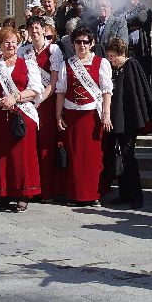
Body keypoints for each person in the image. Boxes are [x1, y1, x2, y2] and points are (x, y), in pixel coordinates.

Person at [0, 26, 42, 211]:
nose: (11, 44)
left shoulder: (27, 64)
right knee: (1, 156)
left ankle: (24, 193)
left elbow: (35, 90)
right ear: (0, 44)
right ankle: (3, 192)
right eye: (6, 41)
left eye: (14, 41)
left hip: (23, 115)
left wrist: (15, 97)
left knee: (22, 156)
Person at [56, 26, 113, 206]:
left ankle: (93, 194)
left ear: (92, 43)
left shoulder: (101, 63)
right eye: (78, 42)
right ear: (73, 44)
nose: (82, 45)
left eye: (85, 42)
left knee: (93, 158)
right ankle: (75, 195)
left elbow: (106, 92)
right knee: (75, 157)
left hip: (92, 116)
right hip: (72, 116)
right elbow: (60, 92)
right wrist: (58, 115)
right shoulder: (66, 65)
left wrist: (106, 114)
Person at [102, 37, 152, 209]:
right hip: (117, 119)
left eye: (113, 56)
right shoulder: (115, 69)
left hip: (128, 120)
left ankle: (135, 195)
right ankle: (123, 193)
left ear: (122, 53)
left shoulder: (130, 65)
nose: (111, 60)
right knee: (119, 156)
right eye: (109, 56)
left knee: (128, 156)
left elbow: (134, 95)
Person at [20, 16, 63, 201]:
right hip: (28, 104)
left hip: (46, 103)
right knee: (29, 146)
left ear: (43, 29)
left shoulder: (53, 50)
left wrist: (38, 100)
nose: (34, 31)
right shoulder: (24, 51)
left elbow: (53, 83)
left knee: (46, 146)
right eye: (31, 28)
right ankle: (30, 188)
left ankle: (46, 190)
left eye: (37, 28)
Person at [118, 0, 152, 76]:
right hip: (124, 52)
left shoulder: (144, 9)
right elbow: (115, 22)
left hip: (140, 51)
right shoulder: (119, 11)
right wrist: (132, 24)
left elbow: (141, 20)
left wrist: (123, 24)